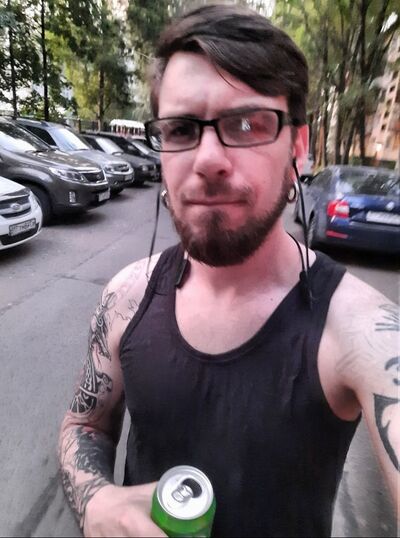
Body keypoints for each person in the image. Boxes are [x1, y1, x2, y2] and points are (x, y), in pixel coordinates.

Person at [58, 4, 399, 537]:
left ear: (299, 148)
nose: (208, 159)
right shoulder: (126, 297)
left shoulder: (362, 331)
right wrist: (96, 500)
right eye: (180, 129)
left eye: (247, 124)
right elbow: (84, 424)